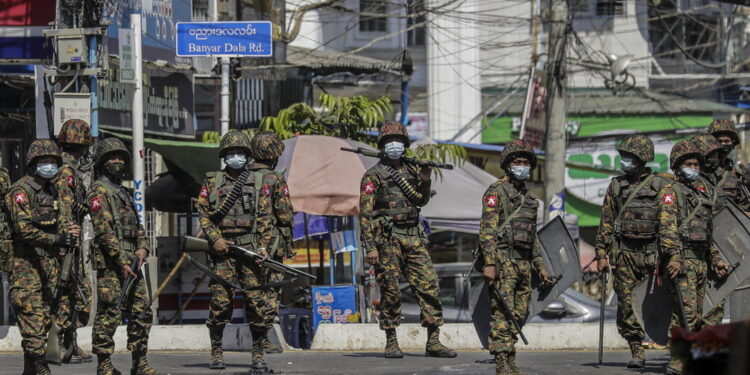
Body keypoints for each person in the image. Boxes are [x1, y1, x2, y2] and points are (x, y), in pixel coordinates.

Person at [359, 121, 456, 359]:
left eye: (399, 142)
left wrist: (425, 178)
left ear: (405, 145)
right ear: (383, 145)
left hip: (413, 236)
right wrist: (370, 247)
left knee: (429, 287)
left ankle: (433, 341)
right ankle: (391, 341)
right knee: (391, 290)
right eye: (390, 142)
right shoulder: (374, 175)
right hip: (388, 239)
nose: (395, 146)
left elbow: (421, 201)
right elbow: (365, 213)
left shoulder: (413, 170)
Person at [195, 130, 288, 372]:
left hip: (249, 250)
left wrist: (264, 247)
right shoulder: (212, 181)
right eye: (231, 153)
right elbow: (204, 215)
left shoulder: (258, 182)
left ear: (247, 155)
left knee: (256, 303)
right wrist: (215, 239)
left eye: (240, 153)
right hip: (223, 251)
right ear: (224, 156)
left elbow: (266, 218)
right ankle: (217, 351)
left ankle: (258, 353)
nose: (235, 157)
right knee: (220, 303)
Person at [593, 135, 671, 369]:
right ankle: (636, 349)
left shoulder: (661, 186)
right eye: (623, 156)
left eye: (630, 156)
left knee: (663, 303)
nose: (625, 160)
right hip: (625, 255)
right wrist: (600, 254)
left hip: (654, 256)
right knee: (626, 304)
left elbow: (669, 224)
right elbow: (606, 222)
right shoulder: (617, 186)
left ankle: (671, 348)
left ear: (642, 158)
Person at [87, 137, 161, 375]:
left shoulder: (125, 193)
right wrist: (120, 261)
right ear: (102, 161)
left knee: (141, 312)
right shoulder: (98, 191)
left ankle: (139, 361)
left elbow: (138, 227)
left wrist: (143, 248)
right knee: (109, 314)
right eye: (112, 158)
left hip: (134, 263)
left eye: (121, 158)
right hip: (112, 266)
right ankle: (104, 365)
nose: (117, 161)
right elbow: (104, 230)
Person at [479, 139, 553, 375]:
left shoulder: (531, 199)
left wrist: (540, 266)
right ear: (507, 164)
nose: (523, 166)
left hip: (523, 264)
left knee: (518, 314)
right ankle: (501, 362)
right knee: (502, 313)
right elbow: (487, 230)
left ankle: (510, 358)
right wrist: (490, 263)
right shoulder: (496, 192)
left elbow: (533, 238)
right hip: (503, 261)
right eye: (517, 162)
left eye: (526, 162)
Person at [5, 139, 79, 375]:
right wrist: (57, 239)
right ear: (33, 163)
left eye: (52, 161)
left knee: (47, 320)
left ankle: (31, 369)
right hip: (25, 267)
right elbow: (24, 229)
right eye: (43, 161)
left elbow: (61, 221)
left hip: (51, 266)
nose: (48, 165)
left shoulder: (53, 190)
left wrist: (69, 232)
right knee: (33, 320)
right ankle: (40, 367)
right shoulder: (20, 191)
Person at [657, 140, 728, 375]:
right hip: (683, 261)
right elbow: (667, 229)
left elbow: (709, 233)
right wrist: (674, 258)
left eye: (696, 164)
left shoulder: (702, 193)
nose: (694, 167)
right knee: (686, 314)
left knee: (709, 312)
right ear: (677, 165)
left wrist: (716, 259)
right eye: (688, 163)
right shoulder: (670, 193)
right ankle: (677, 361)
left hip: (702, 261)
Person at [54, 119, 94, 363]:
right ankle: (58, 345)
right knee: (65, 291)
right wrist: (68, 237)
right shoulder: (66, 171)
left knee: (76, 291)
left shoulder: (67, 169)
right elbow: (65, 207)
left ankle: (71, 343)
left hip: (70, 240)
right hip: (67, 242)